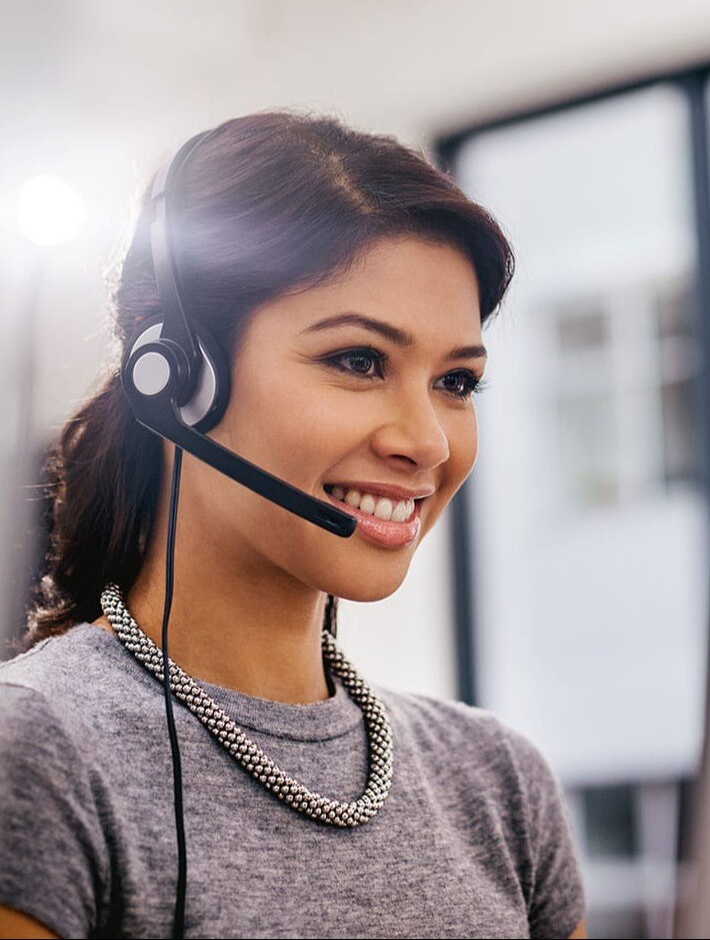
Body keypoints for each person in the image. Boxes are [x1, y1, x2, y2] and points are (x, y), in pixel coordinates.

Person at [0, 111, 588, 940]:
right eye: (358, 362)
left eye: (456, 382)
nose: (424, 440)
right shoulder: (38, 748)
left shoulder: (498, 781)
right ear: (181, 382)